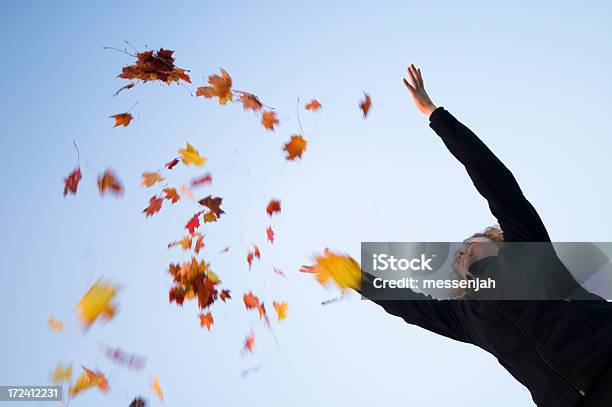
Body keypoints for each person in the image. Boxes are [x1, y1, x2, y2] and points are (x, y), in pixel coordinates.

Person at [359, 64, 612, 407]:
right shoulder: (467, 318)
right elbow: (405, 303)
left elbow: (494, 179)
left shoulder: (525, 250)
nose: (463, 251)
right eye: (460, 254)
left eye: (471, 242)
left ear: (499, 240)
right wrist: (351, 275)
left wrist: (435, 115)